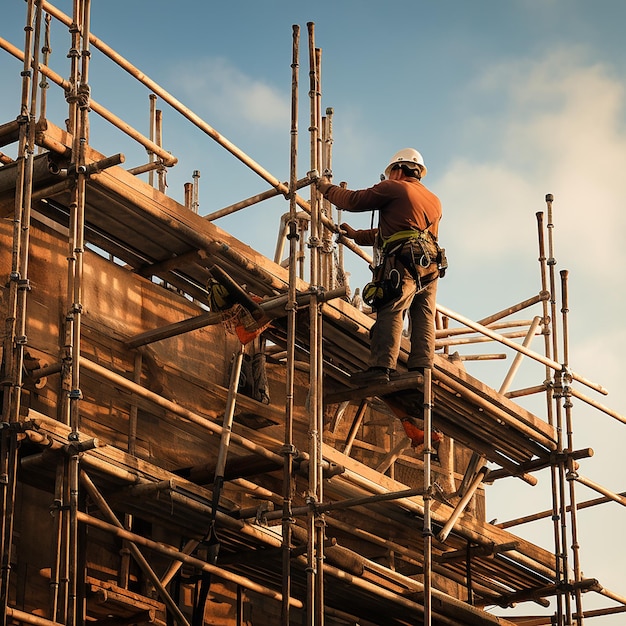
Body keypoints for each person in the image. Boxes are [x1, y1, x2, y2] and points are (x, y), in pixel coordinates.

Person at [317, 148, 444, 384]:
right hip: (431, 264)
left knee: (392, 308)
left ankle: (381, 368)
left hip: (404, 260)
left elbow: (353, 200)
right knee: (423, 314)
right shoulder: (434, 200)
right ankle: (422, 369)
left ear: (397, 170)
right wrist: (357, 235)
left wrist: (326, 189)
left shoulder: (393, 187)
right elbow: (395, 231)